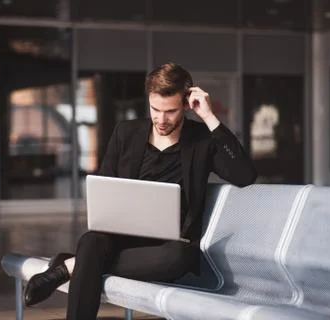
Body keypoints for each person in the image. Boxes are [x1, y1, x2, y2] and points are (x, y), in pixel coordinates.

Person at [23, 62, 257, 319]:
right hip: (120, 237)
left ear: (186, 105)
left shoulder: (201, 139)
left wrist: (210, 118)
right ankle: (80, 263)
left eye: (170, 111)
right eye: (155, 109)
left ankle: (69, 266)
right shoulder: (126, 132)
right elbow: (105, 186)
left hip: (168, 246)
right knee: (91, 241)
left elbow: (244, 175)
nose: (161, 119)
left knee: (178, 257)